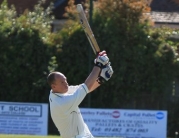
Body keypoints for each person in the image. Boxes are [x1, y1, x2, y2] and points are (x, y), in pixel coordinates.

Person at [47, 51, 113, 138]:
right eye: (62, 82)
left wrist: (101, 79)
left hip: (84, 133)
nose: (66, 83)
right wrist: (99, 65)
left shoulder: (57, 92)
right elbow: (85, 87)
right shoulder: (63, 102)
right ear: (54, 86)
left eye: (65, 80)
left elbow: (86, 88)